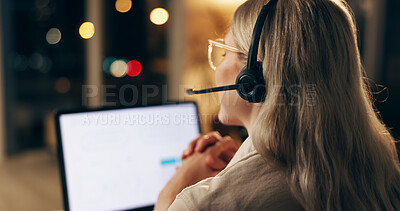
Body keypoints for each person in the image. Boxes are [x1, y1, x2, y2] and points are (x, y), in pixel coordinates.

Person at [155, 0, 400, 210]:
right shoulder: (381, 170)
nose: (217, 69)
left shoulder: (204, 203)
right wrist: (238, 165)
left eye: (222, 54)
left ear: (251, 78)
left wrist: (179, 184)